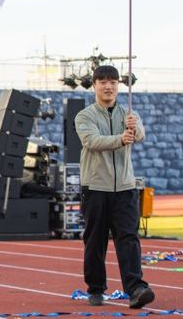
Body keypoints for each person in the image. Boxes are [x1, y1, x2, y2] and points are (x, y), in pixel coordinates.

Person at [75, 65, 154, 309]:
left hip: (125, 188)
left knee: (129, 238)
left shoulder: (128, 113)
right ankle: (96, 289)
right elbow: (92, 140)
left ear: (118, 86)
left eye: (113, 82)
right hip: (96, 187)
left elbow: (140, 135)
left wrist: (133, 126)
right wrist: (120, 139)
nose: (108, 86)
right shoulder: (85, 116)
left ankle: (136, 288)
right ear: (95, 86)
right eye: (103, 82)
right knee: (95, 240)